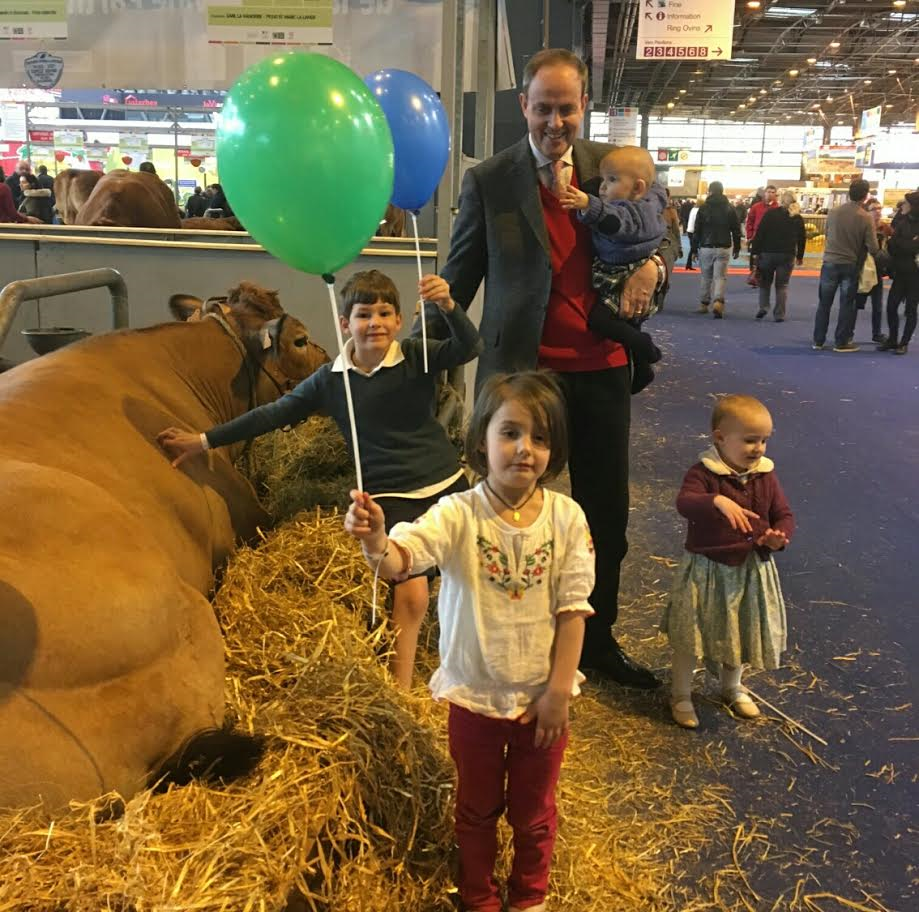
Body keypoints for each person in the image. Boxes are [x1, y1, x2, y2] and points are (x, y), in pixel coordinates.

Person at [436, 47, 679, 688]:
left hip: (601, 368)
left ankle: (596, 643)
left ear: (583, 108)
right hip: (524, 378)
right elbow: (459, 277)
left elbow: (662, 229)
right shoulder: (490, 180)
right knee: (510, 516)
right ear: (524, 107)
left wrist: (653, 265)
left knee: (607, 518)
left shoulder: (613, 168)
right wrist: (414, 346)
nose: (554, 122)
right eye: (542, 108)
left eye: (565, 108)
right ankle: (514, 637)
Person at [157, 270, 480, 689]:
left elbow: (470, 347)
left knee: (475, 573)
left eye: (385, 313)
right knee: (411, 594)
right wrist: (203, 441)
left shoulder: (416, 354)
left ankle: (478, 666)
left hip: (447, 484)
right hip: (393, 499)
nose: (375, 323)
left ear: (399, 321)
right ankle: (404, 693)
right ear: (345, 323)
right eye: (364, 315)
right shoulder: (330, 382)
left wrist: (450, 307)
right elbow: (271, 415)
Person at [344, 370, 594, 912]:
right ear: (480, 438)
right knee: (476, 808)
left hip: (540, 703)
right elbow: (400, 561)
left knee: (533, 811)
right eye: (510, 433)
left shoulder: (567, 518)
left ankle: (530, 895)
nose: (525, 449)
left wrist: (556, 692)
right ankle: (479, 894)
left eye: (542, 437)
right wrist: (375, 539)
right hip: (475, 699)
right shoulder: (459, 514)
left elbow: (574, 610)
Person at [661, 395, 795, 729]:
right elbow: (686, 503)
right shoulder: (704, 473)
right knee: (692, 633)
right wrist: (716, 500)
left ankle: (732, 687)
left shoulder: (765, 475)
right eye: (750, 440)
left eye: (764, 440)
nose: (759, 448)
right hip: (707, 569)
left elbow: (783, 513)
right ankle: (680, 694)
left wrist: (777, 536)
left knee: (739, 629)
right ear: (720, 437)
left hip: (750, 569)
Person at [557, 145, 666, 394]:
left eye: (612, 180)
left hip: (623, 277)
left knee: (601, 320)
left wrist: (589, 204)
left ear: (638, 188)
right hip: (612, 275)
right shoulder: (627, 184)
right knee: (629, 324)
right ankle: (642, 366)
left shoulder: (640, 210)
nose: (602, 187)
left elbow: (618, 222)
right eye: (604, 179)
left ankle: (644, 347)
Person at [812, 179, 879, 353]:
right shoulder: (865, 217)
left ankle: (818, 340)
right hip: (850, 263)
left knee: (824, 304)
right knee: (846, 304)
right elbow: (873, 247)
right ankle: (841, 341)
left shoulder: (834, 212)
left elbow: (827, 233)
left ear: (849, 192)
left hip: (830, 262)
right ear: (865, 196)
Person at [750, 191, 806, 322]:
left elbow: (760, 234)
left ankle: (764, 306)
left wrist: (755, 253)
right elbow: (802, 239)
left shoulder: (770, 214)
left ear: (781, 200)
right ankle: (779, 314)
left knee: (765, 283)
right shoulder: (797, 218)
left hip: (767, 254)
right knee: (782, 286)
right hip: (787, 255)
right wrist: (800, 256)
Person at [690, 181, 741, 318]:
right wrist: (737, 247)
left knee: (706, 276)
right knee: (720, 277)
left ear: (710, 191)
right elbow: (736, 230)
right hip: (724, 246)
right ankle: (718, 301)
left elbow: (697, 231)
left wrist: (694, 250)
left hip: (706, 247)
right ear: (722, 191)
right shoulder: (730, 208)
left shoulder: (703, 208)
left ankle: (703, 304)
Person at [877, 190, 919, 355]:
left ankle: (904, 342)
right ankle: (893, 339)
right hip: (900, 271)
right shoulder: (902, 220)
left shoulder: (904, 222)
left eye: (907, 203)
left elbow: (901, 244)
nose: (903, 205)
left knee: (910, 309)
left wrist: (901, 243)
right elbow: (894, 245)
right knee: (891, 306)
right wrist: (907, 243)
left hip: (915, 274)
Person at [853, 197, 892, 345]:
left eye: (879, 208)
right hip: (862, 270)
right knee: (856, 304)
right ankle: (849, 332)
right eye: (874, 209)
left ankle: (877, 333)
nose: (878, 212)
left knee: (877, 306)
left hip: (878, 270)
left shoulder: (884, 228)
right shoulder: (861, 227)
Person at [745, 185, 778, 279]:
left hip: (771, 239)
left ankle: (765, 277)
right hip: (756, 238)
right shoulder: (756, 207)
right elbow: (749, 222)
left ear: (775, 194)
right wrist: (749, 236)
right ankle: (754, 275)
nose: (770, 194)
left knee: (767, 261)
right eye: (768, 192)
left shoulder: (778, 207)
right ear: (764, 193)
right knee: (754, 259)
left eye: (773, 192)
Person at [685, 197, 702, 269]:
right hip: (694, 231)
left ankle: (688, 265)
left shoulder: (693, 209)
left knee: (693, 248)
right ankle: (689, 264)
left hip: (690, 230)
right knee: (694, 248)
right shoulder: (699, 210)